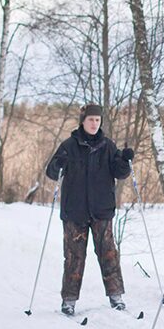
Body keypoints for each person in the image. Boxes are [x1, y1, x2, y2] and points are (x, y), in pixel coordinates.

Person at [45, 104, 134, 316]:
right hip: (74, 212)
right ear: (83, 121)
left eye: (97, 120)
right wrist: (59, 163)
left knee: (108, 254)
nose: (94, 123)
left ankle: (116, 296)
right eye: (90, 119)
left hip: (102, 209)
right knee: (74, 257)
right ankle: (69, 300)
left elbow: (120, 173)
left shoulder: (108, 146)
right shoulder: (69, 146)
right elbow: (51, 171)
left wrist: (126, 160)